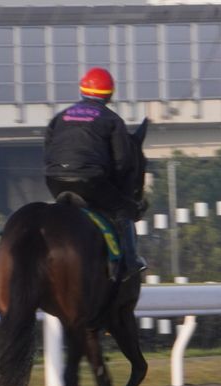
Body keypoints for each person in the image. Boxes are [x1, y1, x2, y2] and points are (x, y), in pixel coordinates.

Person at [43, 66, 147, 281]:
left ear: (82, 90)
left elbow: (48, 151)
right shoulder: (112, 120)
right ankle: (130, 261)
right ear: (109, 95)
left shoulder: (60, 117)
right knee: (122, 209)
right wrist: (122, 193)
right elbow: (123, 163)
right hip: (90, 182)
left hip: (54, 180)